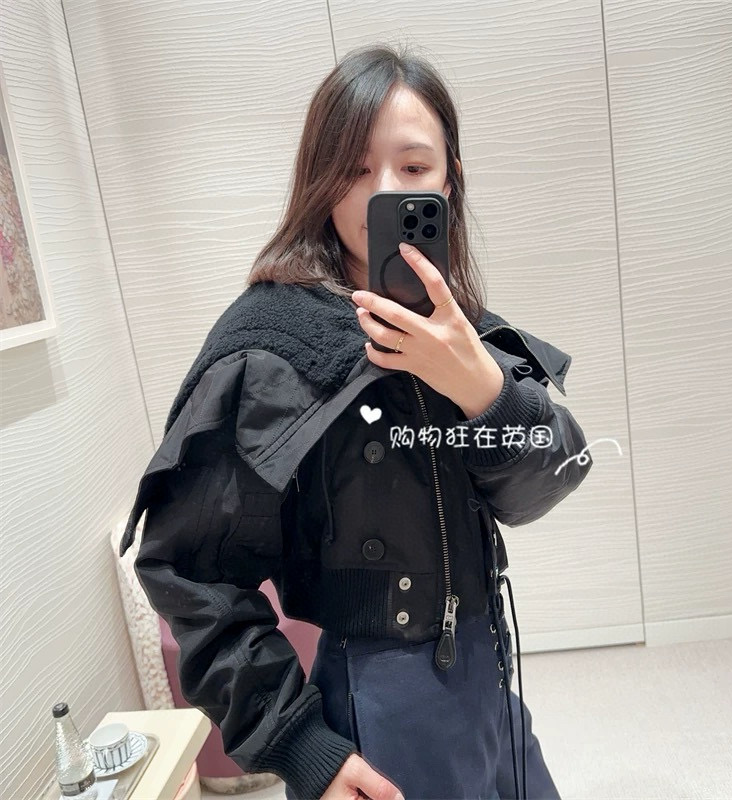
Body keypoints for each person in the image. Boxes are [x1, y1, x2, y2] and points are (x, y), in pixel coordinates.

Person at [119, 43, 592, 800]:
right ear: (319, 179)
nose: (385, 192)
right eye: (355, 168)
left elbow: (553, 475)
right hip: (382, 700)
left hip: (486, 671)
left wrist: (482, 388)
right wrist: (301, 745)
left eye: (413, 167)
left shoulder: (464, 333)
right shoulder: (273, 346)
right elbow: (191, 571)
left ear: (449, 180)